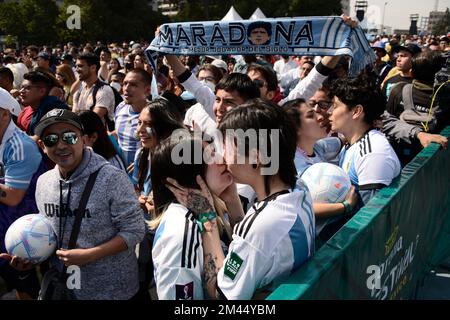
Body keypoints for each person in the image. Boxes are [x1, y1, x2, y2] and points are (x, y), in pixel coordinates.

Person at [169, 99, 315, 300]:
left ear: (256, 158)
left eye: (227, 147)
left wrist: (207, 220)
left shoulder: (263, 225)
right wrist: (233, 200)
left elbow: (222, 295)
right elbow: (254, 248)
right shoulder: (299, 188)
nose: (222, 157)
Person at [10, 108, 145, 300]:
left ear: (83, 139)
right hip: (64, 286)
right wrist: (32, 256)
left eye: (69, 137)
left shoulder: (112, 178)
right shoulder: (44, 182)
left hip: (112, 290)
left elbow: (135, 230)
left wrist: (91, 254)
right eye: (51, 140)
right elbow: (50, 232)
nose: (61, 145)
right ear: (42, 145)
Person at [151, 135, 235, 300]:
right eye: (209, 157)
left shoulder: (208, 209)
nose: (221, 159)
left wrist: (232, 199)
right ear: (186, 175)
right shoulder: (181, 231)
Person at [329, 72, 401, 207]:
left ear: (356, 111)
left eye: (335, 106)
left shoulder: (373, 152)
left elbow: (370, 216)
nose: (329, 112)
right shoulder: (351, 144)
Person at [0, 88, 46, 299]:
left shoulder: (20, 146)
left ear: (5, 114)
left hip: (23, 236)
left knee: (27, 287)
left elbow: (12, 196)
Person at [382, 50, 448, 166]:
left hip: (400, 161)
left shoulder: (398, 91)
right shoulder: (445, 98)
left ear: (411, 73)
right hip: (438, 164)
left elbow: (386, 122)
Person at [114, 69, 152, 167]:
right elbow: (119, 134)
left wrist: (141, 162)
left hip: (144, 174)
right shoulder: (120, 107)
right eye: (125, 83)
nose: (126, 88)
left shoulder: (155, 114)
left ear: (147, 90)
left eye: (133, 85)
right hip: (121, 174)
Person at [17, 71, 68, 136]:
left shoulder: (53, 109)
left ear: (42, 91)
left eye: (27, 88)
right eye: (21, 87)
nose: (21, 91)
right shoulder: (24, 112)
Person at [72, 53, 116, 128]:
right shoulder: (79, 90)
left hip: (99, 137)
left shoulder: (104, 90)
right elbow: (74, 115)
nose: (76, 69)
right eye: (76, 66)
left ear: (93, 68)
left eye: (80, 66)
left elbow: (93, 120)